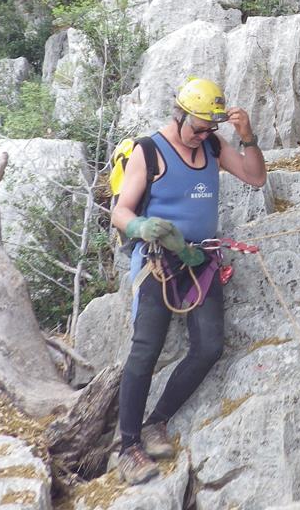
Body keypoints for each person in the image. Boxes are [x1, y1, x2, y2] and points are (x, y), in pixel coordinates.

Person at [111, 77, 266, 485]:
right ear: (178, 115)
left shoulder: (212, 147)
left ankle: (156, 422)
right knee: (145, 349)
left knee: (210, 346)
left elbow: (255, 177)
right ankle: (127, 447)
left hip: (201, 261)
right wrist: (143, 227)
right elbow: (120, 212)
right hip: (159, 263)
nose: (202, 136)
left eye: (209, 128)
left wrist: (247, 137)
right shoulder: (150, 151)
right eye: (197, 127)